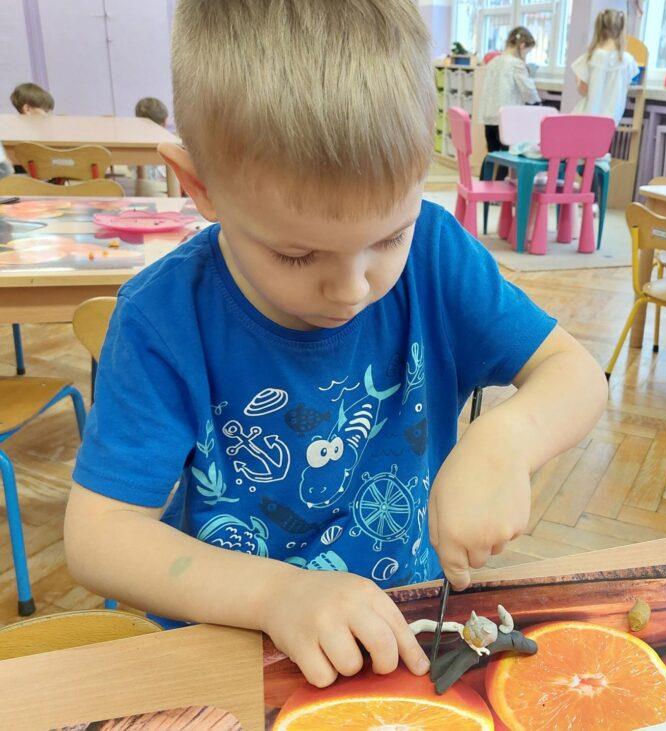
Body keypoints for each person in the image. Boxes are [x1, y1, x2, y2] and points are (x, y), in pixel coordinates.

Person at [63, 0, 607, 690]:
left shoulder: (436, 256)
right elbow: (99, 534)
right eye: (297, 254)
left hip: (405, 641)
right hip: (234, 655)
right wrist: (273, 594)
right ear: (200, 186)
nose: (353, 288)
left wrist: (508, 440)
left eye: (389, 236)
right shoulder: (163, 319)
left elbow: (575, 373)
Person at [477, 26, 542, 180]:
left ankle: (486, 185)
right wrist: (537, 103)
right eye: (527, 52)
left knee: (492, 154)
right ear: (522, 46)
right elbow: (528, 90)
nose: (526, 56)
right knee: (507, 158)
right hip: (507, 119)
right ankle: (499, 188)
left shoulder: (494, 61)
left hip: (489, 116)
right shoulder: (516, 64)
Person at [570, 9, 639, 126]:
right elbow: (624, 89)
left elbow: (583, 90)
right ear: (622, 30)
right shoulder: (628, 61)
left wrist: (578, 82)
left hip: (584, 120)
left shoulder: (592, 57)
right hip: (609, 123)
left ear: (599, 29)